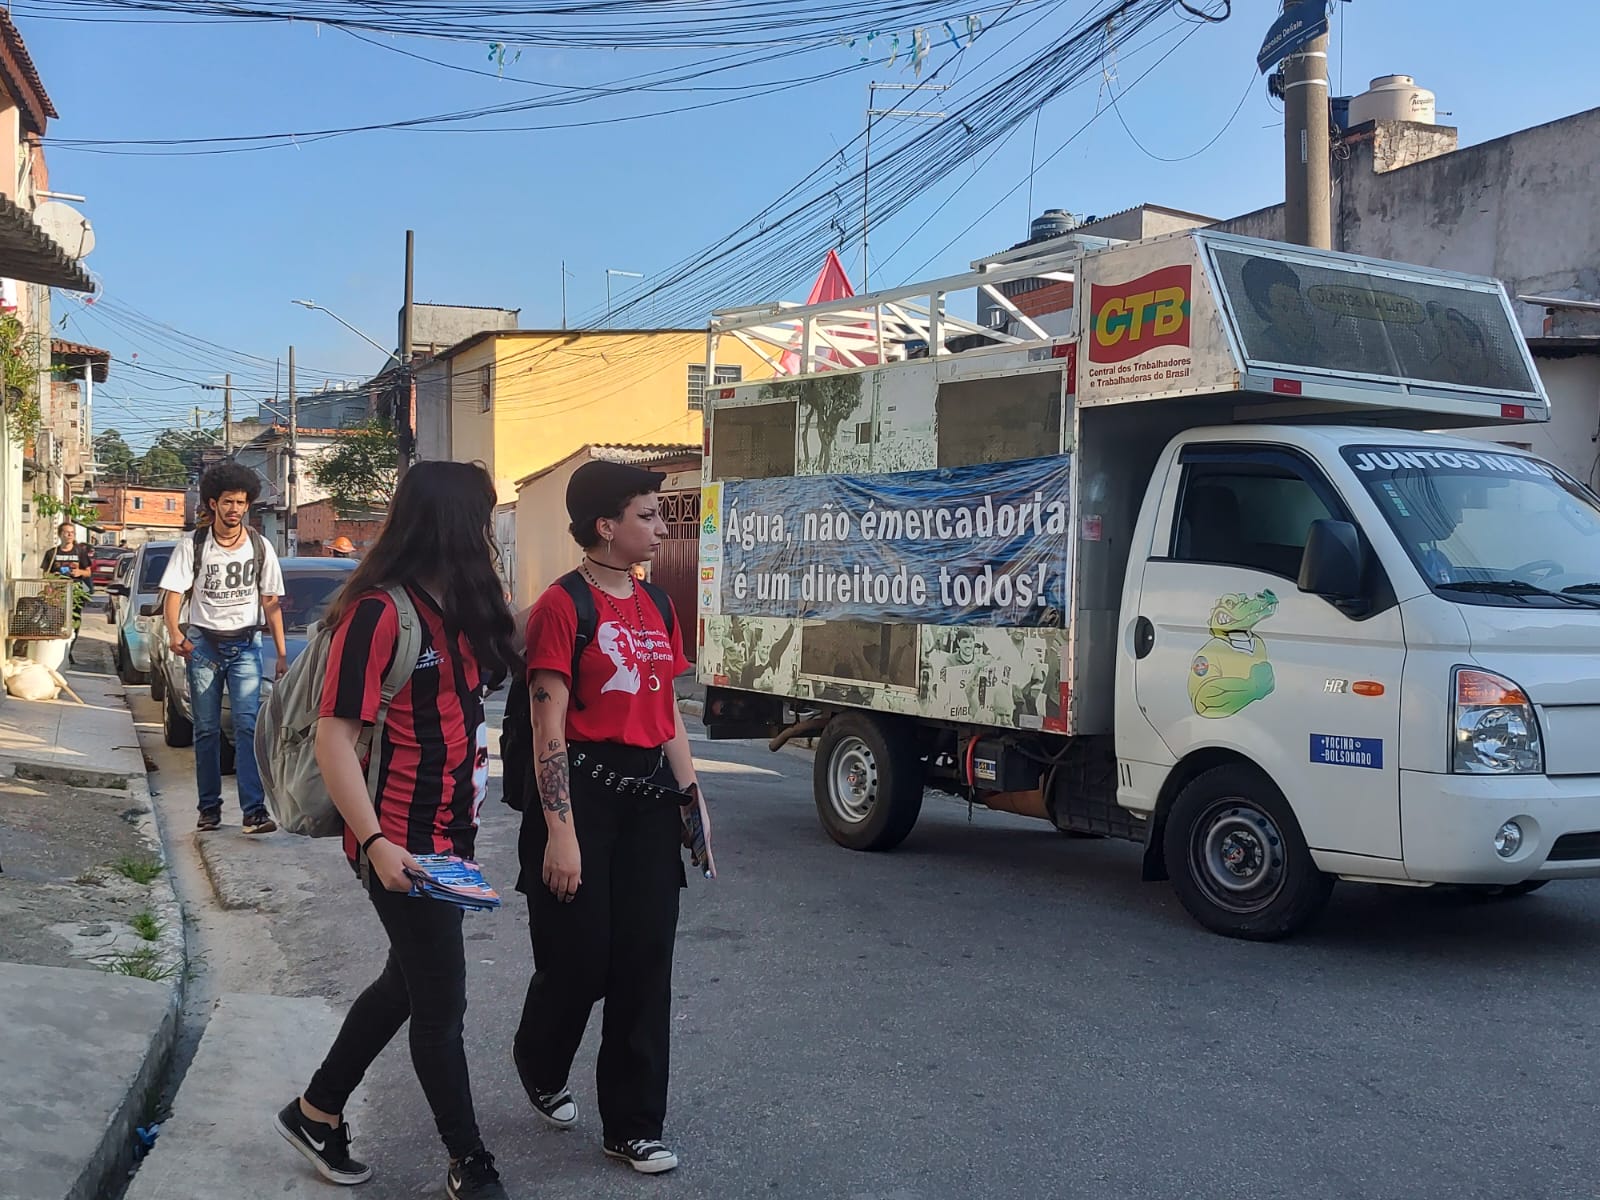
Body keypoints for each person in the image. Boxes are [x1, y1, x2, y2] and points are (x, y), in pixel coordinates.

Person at [275, 460, 519, 1200]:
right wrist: (377, 843)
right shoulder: (378, 614)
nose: (488, 533)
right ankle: (470, 1161)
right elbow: (335, 738)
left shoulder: (463, 605)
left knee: (405, 986)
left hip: (450, 836)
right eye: (481, 518)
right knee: (441, 1004)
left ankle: (316, 1111)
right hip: (400, 842)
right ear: (451, 524)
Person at [513, 460, 703, 1176]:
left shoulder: (658, 604)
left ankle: (633, 1125)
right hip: (580, 796)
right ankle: (539, 1057)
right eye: (647, 515)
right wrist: (562, 834)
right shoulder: (562, 607)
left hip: (648, 799)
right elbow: (548, 728)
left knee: (646, 963)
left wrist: (692, 800)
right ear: (606, 525)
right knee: (580, 961)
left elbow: (668, 711)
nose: (660, 528)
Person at [160, 463, 287, 835]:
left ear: (248, 505)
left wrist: (281, 654)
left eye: (241, 502)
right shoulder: (193, 545)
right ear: (213, 503)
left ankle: (254, 812)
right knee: (206, 730)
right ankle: (209, 809)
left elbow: (271, 602)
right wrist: (174, 632)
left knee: (248, 728)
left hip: (246, 645)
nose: (235, 509)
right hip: (203, 647)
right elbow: (173, 593)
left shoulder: (260, 547)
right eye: (228, 501)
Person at [41, 522, 92, 660]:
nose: (70, 535)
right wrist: (51, 585)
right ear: (60, 534)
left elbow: (88, 572)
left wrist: (79, 572)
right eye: (67, 532)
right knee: (57, 619)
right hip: (58, 592)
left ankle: (68, 651)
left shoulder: (80, 552)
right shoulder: (52, 553)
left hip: (76, 592)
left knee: (74, 621)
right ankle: (57, 651)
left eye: (72, 532)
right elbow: (45, 574)